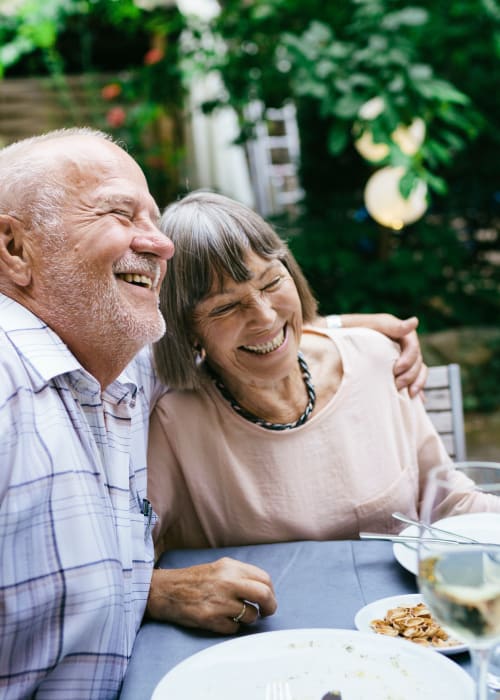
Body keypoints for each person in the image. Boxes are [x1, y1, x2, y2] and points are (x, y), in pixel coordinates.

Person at [0, 128, 427, 696]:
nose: (160, 243)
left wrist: (344, 330)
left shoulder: (119, 363)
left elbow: (231, 334)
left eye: (152, 219)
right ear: (13, 248)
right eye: (119, 214)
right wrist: (160, 589)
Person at [148, 190, 500, 603]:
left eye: (272, 282)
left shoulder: (375, 360)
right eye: (226, 308)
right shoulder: (176, 422)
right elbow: (138, 559)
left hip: (404, 621)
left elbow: (446, 502)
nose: (264, 317)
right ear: (188, 329)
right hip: (270, 639)